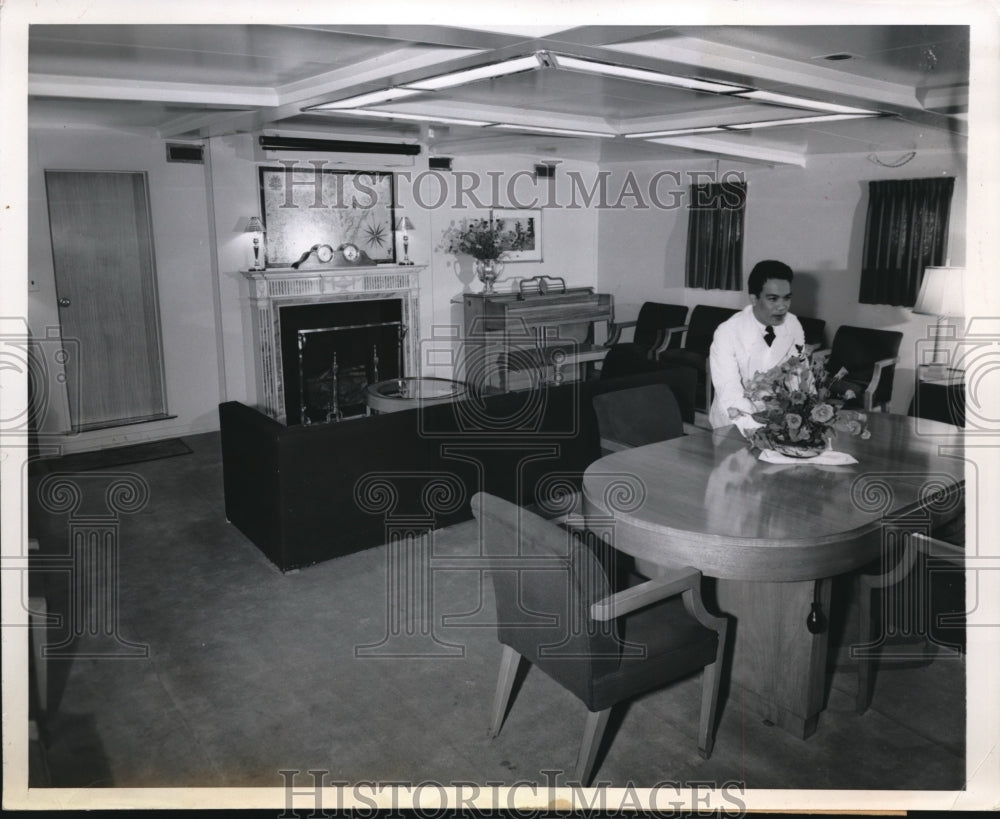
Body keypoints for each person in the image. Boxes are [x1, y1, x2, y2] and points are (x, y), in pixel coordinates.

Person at [708, 260, 805, 430]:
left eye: (787, 298)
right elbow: (730, 391)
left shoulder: (793, 324)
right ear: (754, 298)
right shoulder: (727, 332)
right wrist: (761, 429)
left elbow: (801, 377)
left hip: (780, 421)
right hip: (734, 423)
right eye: (773, 299)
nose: (782, 306)